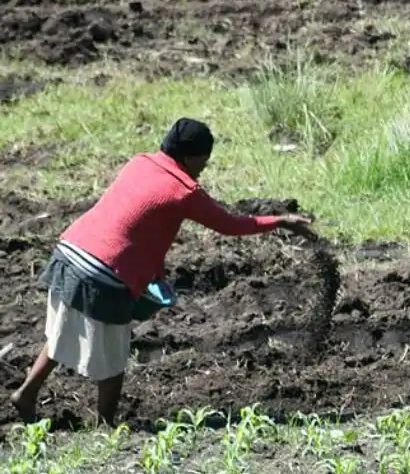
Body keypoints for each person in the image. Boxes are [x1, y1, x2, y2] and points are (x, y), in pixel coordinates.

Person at [10, 117, 316, 426]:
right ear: (190, 157)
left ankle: (26, 393)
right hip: (100, 274)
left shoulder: (140, 162)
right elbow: (229, 224)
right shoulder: (183, 190)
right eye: (204, 161)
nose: (204, 168)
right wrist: (280, 221)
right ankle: (105, 426)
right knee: (115, 359)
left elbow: (141, 227)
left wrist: (153, 271)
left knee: (62, 332)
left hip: (69, 252)